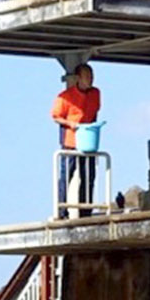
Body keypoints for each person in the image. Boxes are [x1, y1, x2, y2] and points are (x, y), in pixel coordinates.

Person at [51, 63, 101, 214]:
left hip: (88, 142)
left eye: (92, 77)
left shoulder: (96, 93)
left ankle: (86, 212)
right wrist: (71, 124)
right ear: (79, 78)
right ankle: (62, 212)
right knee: (67, 176)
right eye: (87, 77)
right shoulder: (65, 97)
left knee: (88, 177)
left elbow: (95, 113)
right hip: (70, 142)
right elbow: (55, 116)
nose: (90, 80)